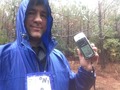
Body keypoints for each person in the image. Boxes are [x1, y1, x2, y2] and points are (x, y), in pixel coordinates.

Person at [0, 0, 99, 90]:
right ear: (22, 17)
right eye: (31, 13)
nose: (38, 19)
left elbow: (74, 87)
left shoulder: (59, 58)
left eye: (43, 15)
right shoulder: (3, 56)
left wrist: (86, 70)